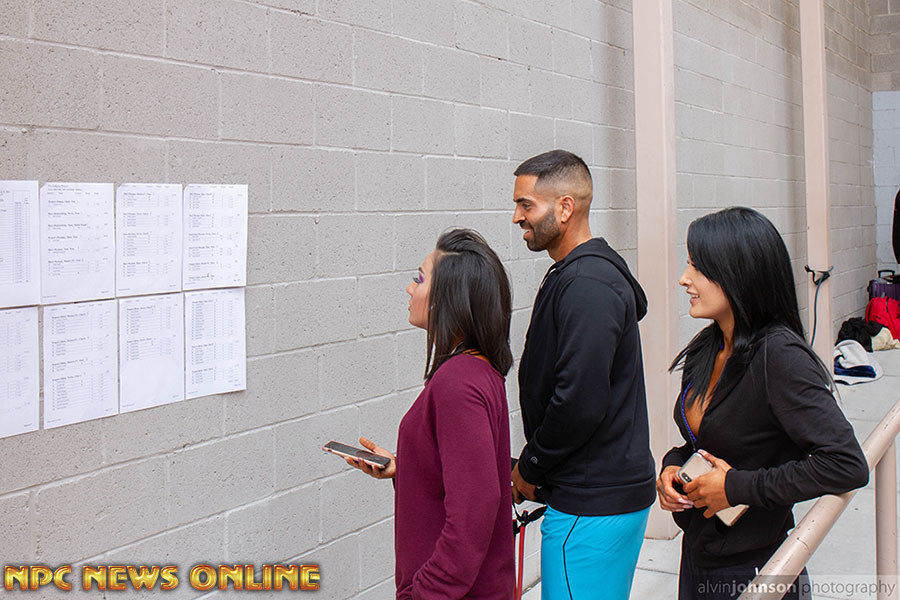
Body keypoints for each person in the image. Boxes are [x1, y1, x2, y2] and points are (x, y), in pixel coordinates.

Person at [656, 207, 870, 600]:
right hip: (700, 555)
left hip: (755, 567)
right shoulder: (708, 347)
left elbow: (846, 464)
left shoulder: (779, 356)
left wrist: (736, 487)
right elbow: (705, 441)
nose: (684, 278)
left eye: (697, 267)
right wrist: (673, 467)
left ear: (737, 273)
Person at [509, 149, 656, 599]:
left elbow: (578, 401)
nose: (517, 217)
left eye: (526, 205)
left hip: (591, 503)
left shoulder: (587, 283)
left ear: (565, 207)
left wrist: (532, 465)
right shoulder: (578, 274)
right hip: (594, 495)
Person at [347, 228, 515, 599]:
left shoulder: (458, 381)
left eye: (420, 280)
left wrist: (424, 593)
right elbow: (465, 477)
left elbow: (475, 508)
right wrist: (404, 469)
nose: (410, 289)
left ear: (447, 297)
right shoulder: (477, 370)